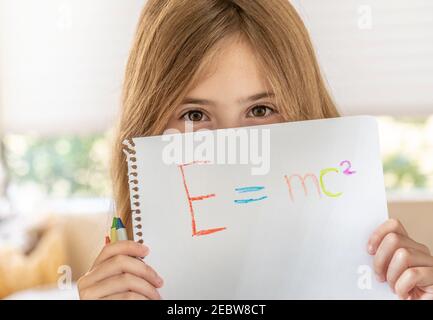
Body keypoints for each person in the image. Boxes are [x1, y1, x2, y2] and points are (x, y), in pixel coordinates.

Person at [78, 0, 433, 300]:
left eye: (260, 110)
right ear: (146, 130)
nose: (231, 150)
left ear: (307, 116)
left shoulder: (364, 273)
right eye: (195, 115)